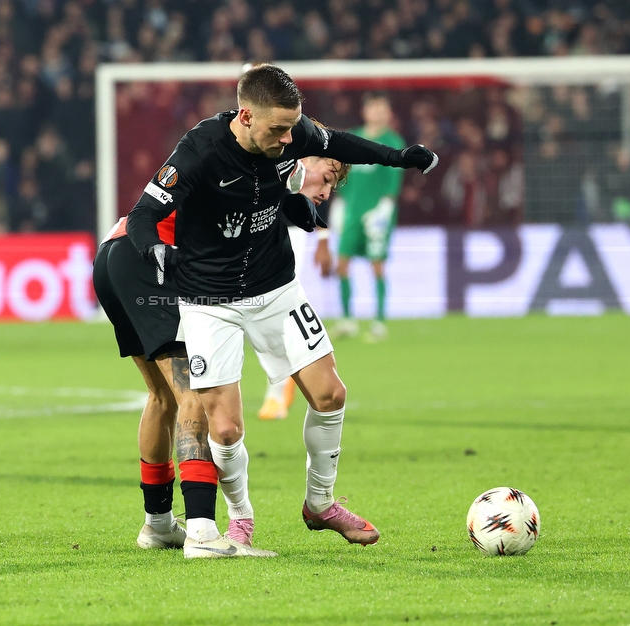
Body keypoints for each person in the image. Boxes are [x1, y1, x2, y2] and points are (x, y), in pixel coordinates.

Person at [125, 64, 437, 548]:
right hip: (210, 300)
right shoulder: (199, 151)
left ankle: (320, 504)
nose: (290, 138)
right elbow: (146, 213)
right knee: (225, 430)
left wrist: (399, 157)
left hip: (276, 288)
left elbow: (339, 143)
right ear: (246, 116)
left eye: (294, 126)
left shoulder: (293, 133)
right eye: (278, 129)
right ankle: (241, 518)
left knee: (331, 394)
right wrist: (153, 249)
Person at [93, 213, 275, 558]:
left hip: (112, 255)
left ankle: (159, 524)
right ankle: (203, 531)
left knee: (162, 396)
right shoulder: (249, 173)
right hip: (149, 259)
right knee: (194, 391)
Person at [258, 157, 347, 421]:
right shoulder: (277, 148)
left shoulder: (316, 157)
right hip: (251, 233)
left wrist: (322, 237)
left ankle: (277, 393)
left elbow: (320, 196)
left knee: (274, 313)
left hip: (289, 233)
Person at [333, 93, 407, 342]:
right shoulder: (352, 138)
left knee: (377, 265)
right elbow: (342, 174)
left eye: (382, 108)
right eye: (373, 108)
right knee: (342, 264)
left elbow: (394, 179)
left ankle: (379, 322)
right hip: (352, 213)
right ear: (365, 111)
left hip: (377, 216)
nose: (377, 113)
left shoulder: (392, 141)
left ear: (388, 113)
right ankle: (347, 320)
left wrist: (386, 206)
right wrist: (339, 204)